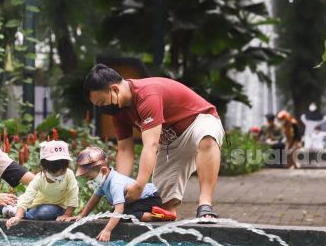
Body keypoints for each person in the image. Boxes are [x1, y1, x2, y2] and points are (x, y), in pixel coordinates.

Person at [84, 64, 224, 220]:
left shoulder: (147, 95)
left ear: (115, 89)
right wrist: (119, 188)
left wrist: (139, 185)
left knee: (207, 137)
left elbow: (151, 145)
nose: (104, 110)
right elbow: (124, 151)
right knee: (162, 207)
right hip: (171, 142)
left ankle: (205, 205)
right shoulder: (119, 113)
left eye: (103, 103)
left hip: (197, 122)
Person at [60, 147, 175, 242]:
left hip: (149, 199)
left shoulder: (115, 183)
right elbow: (94, 198)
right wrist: (82, 216)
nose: (90, 181)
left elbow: (119, 210)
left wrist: (107, 230)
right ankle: (148, 214)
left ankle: (155, 216)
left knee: (123, 215)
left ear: (104, 171)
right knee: (113, 215)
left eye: (90, 177)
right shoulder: (104, 180)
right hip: (137, 200)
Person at [5, 141, 79, 228]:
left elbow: (73, 195)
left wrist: (67, 214)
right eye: (55, 175)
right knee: (8, 202)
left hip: (57, 208)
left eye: (63, 171)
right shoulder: (39, 178)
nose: (60, 176)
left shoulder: (69, 175)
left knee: (45, 212)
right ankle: (13, 211)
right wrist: (17, 217)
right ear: (44, 169)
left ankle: (18, 213)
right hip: (34, 205)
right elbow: (28, 196)